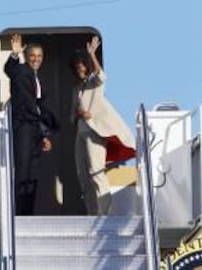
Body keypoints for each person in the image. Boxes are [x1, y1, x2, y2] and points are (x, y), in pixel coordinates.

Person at [71, 36, 136, 215]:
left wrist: (92, 55)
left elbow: (101, 75)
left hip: (95, 131)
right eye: (77, 65)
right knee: (83, 177)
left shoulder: (94, 82)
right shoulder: (76, 89)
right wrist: (79, 114)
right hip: (80, 133)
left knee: (96, 172)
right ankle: (92, 214)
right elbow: (73, 115)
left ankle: (104, 214)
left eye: (82, 64)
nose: (80, 67)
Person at [4, 34, 57, 215]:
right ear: (27, 56)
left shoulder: (35, 77)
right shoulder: (21, 71)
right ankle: (19, 213)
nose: (36, 59)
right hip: (23, 126)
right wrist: (14, 54)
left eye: (39, 56)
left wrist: (43, 134)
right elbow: (10, 69)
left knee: (33, 172)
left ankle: (28, 212)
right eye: (33, 55)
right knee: (23, 169)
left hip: (34, 128)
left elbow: (39, 107)